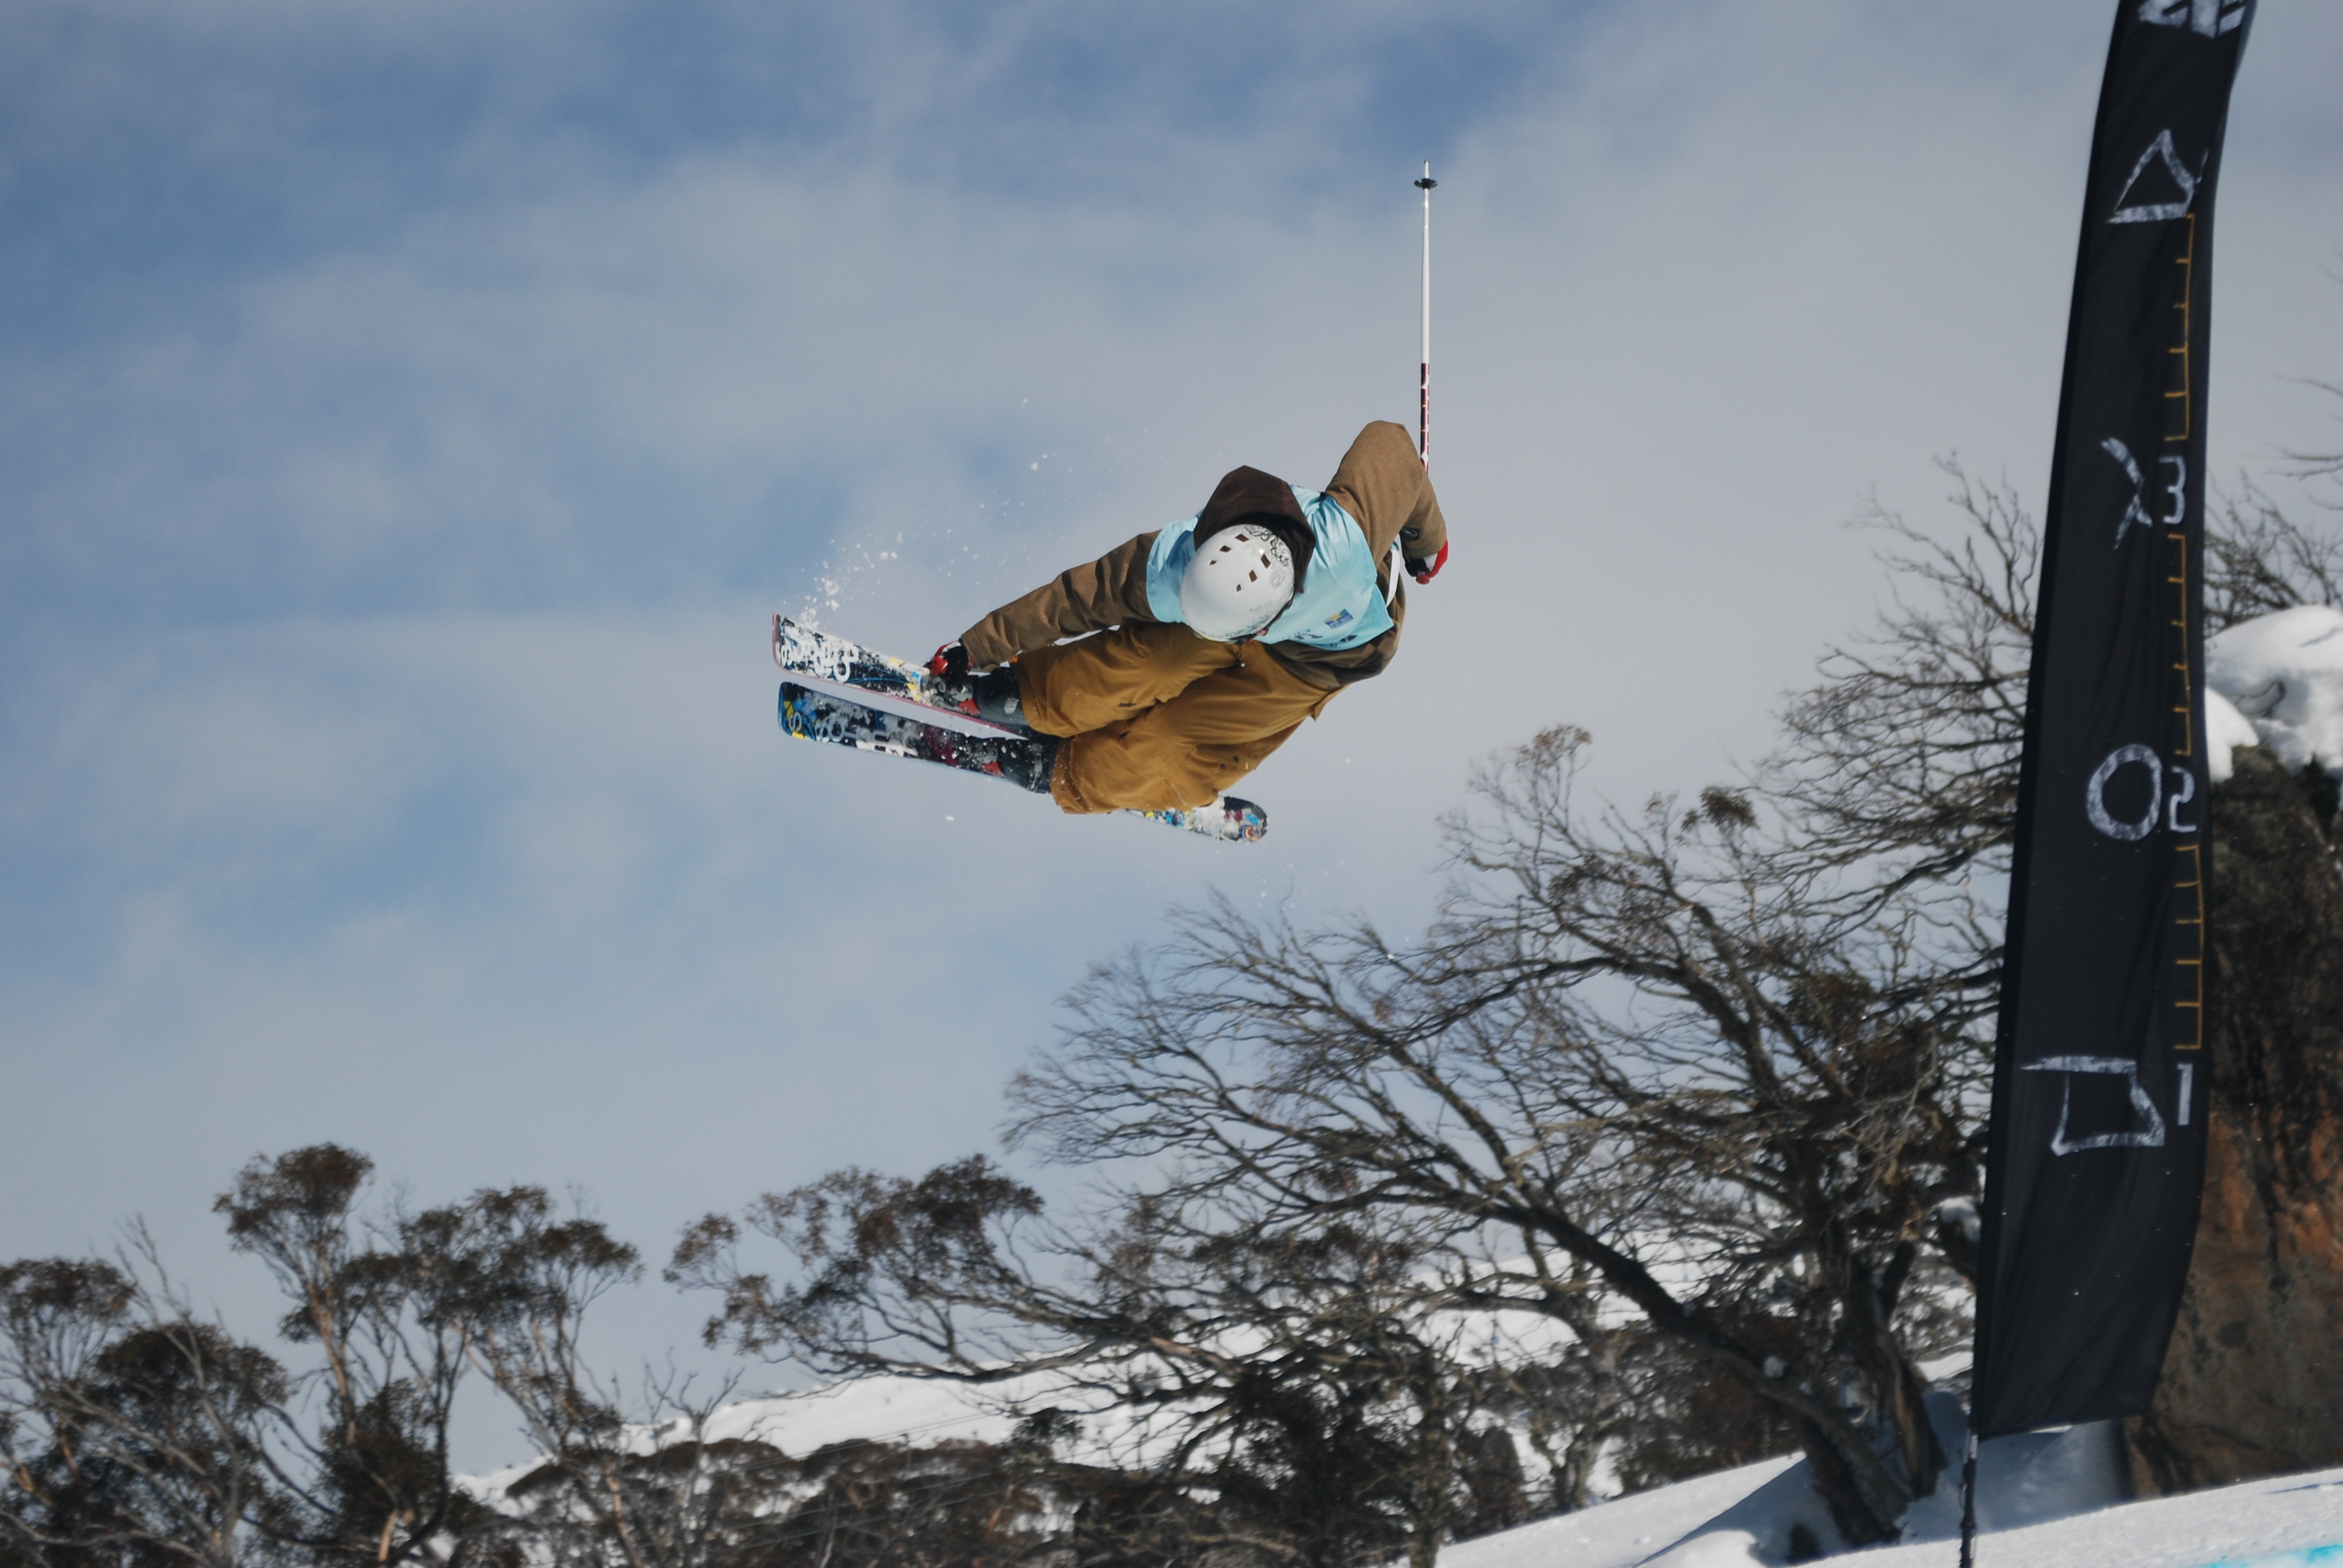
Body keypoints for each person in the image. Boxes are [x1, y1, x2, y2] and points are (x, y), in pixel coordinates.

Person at [926, 419, 1449, 815]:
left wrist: (1427, 540)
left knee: (1179, 741)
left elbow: (1396, 449)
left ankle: (1070, 770)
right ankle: (1032, 697)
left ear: (1260, 626)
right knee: (1151, 659)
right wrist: (978, 645)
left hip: (1318, 663)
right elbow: (1078, 599)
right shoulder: (1172, 565)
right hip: (1223, 613)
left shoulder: (1343, 547)